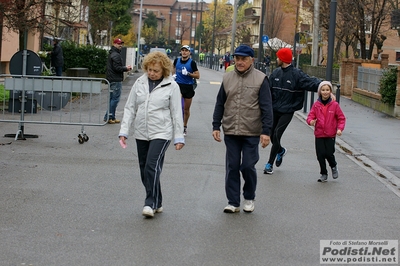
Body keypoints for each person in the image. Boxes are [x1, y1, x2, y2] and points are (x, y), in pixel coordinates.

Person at [118, 51, 185, 218]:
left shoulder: (172, 86)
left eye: (156, 71)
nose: (152, 73)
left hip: (161, 132)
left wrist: (178, 137)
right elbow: (130, 108)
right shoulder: (139, 83)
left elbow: (177, 113)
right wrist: (124, 131)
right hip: (141, 131)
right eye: (149, 69)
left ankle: (150, 202)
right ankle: (158, 200)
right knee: (144, 169)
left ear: (164, 71)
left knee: (151, 166)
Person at [212, 45, 273, 213]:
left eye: (243, 59)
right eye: (237, 59)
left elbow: (267, 107)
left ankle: (249, 197)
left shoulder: (261, 79)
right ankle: (233, 202)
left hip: (252, 131)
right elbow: (220, 103)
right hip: (231, 129)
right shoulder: (227, 78)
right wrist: (216, 125)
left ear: (251, 60)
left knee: (247, 165)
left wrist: (266, 131)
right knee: (232, 166)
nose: (240, 62)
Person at [264, 47, 321, 175]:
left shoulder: (297, 74)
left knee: (277, 134)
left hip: (288, 110)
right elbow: (267, 89)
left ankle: (269, 164)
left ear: (283, 59)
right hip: (275, 108)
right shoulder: (275, 73)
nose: (276, 59)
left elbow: (310, 82)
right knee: (272, 135)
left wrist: (324, 85)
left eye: (278, 57)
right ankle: (280, 151)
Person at [306, 81, 346, 182]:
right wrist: (311, 121)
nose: (325, 92)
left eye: (327, 90)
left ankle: (333, 166)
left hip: (330, 133)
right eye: (323, 90)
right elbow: (310, 116)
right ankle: (323, 173)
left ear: (330, 91)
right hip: (319, 133)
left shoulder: (334, 105)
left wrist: (340, 129)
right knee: (320, 155)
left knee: (329, 153)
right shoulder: (316, 105)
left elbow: (341, 118)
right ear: (320, 92)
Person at [173, 45, 200, 136]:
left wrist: (188, 74)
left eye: (186, 51)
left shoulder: (192, 63)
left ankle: (184, 126)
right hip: (178, 85)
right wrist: (173, 76)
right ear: (181, 52)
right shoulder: (177, 60)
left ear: (189, 53)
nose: (184, 52)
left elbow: (198, 76)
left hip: (188, 86)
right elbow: (173, 69)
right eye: (183, 50)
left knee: (186, 109)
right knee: (178, 107)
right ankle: (178, 125)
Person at [104, 38, 132, 124]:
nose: (120, 45)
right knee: (115, 99)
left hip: (112, 78)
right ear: (114, 44)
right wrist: (126, 68)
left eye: (121, 44)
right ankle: (110, 117)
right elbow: (117, 68)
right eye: (119, 44)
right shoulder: (116, 55)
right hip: (115, 79)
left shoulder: (113, 53)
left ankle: (109, 116)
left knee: (112, 99)